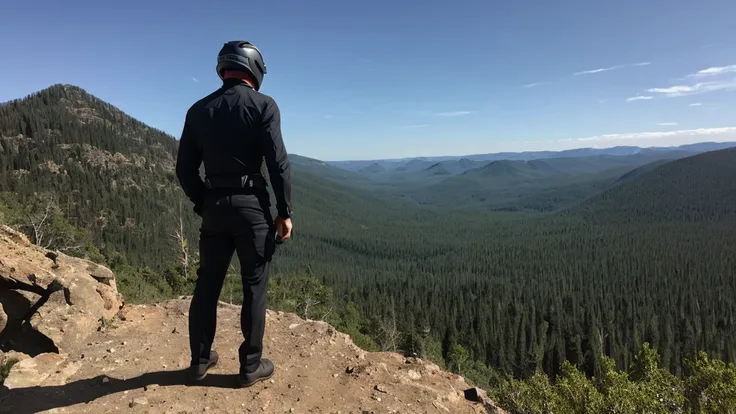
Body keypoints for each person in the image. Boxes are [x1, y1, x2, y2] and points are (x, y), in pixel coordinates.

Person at [175, 40, 293, 387]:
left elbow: (184, 170)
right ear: (254, 69)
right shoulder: (264, 106)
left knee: (207, 285)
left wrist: (203, 202)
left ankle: (199, 361)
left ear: (223, 68)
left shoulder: (198, 110)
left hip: (214, 206)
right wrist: (284, 211)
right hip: (252, 208)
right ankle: (250, 366)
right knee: (254, 286)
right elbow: (278, 164)